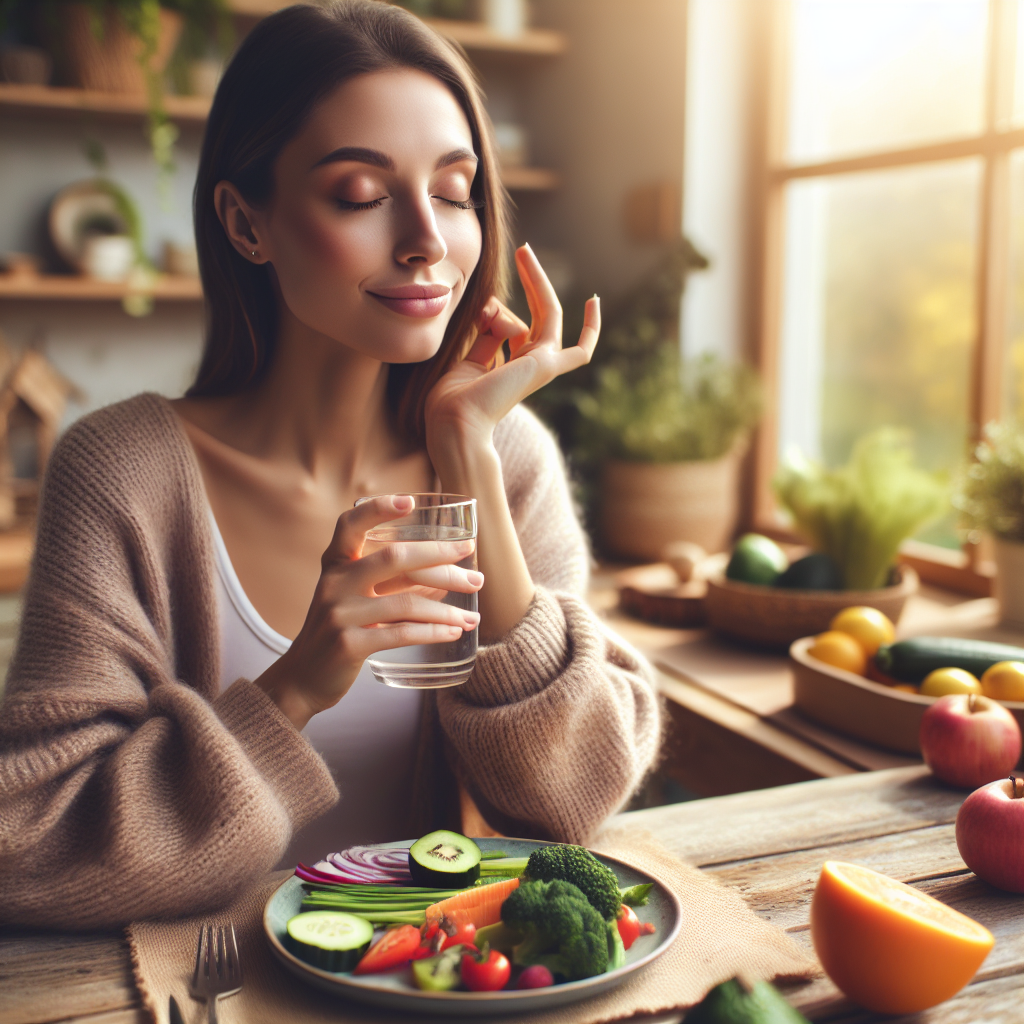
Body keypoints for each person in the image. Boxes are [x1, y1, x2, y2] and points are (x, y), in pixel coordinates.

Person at [0, 0, 659, 929]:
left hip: (428, 982)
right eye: (359, 194)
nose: (429, 238)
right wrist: (296, 686)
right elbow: (26, 844)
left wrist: (465, 447)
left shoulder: (506, 459)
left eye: (457, 190)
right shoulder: (124, 474)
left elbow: (568, 809)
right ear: (244, 223)